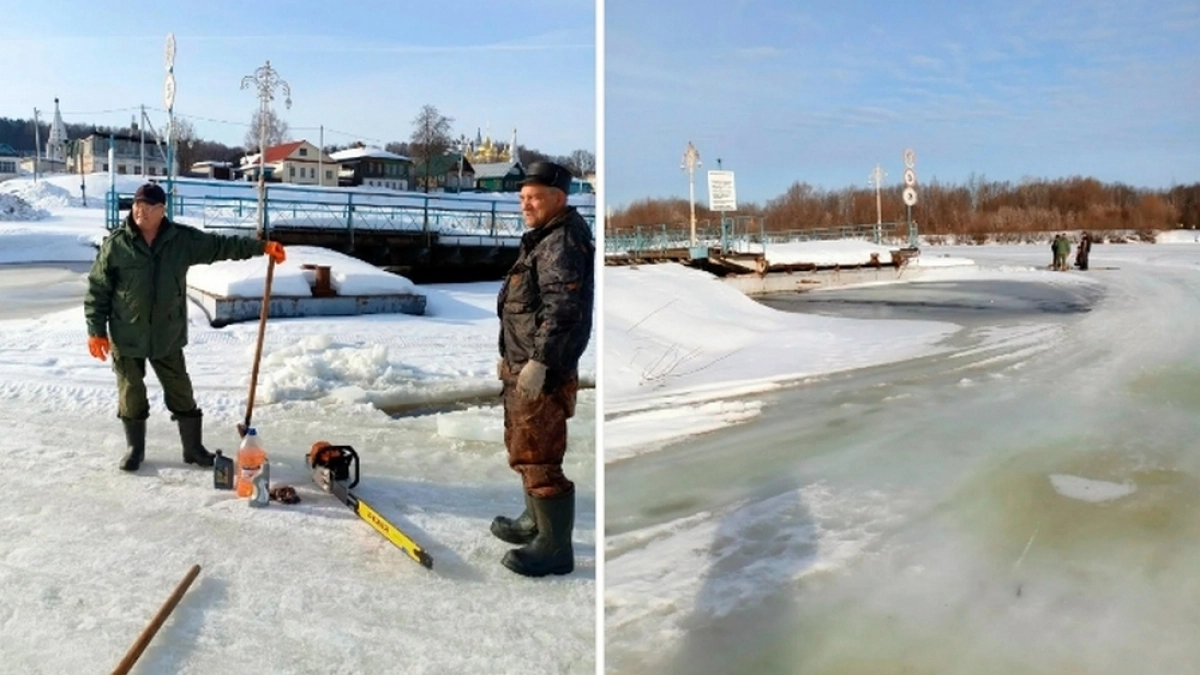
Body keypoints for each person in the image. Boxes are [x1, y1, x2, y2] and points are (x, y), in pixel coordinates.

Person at [84, 182, 286, 472]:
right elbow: (98, 289)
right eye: (137, 205)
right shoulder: (116, 245)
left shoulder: (181, 240)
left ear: (162, 210)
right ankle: (134, 449)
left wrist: (261, 247)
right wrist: (96, 331)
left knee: (180, 391)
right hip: (127, 334)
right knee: (131, 392)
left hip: (167, 334)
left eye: (148, 206)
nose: (140, 211)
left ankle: (193, 449)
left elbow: (220, 246)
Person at [491, 161, 594, 577]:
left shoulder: (561, 242)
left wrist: (540, 362)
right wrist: (511, 355)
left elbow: (563, 310)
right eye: (522, 197)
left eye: (534, 198)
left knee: (540, 455)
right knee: (524, 447)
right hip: (522, 365)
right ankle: (536, 521)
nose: (525, 205)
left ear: (558, 198)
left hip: (542, 373)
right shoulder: (545, 237)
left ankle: (554, 549)